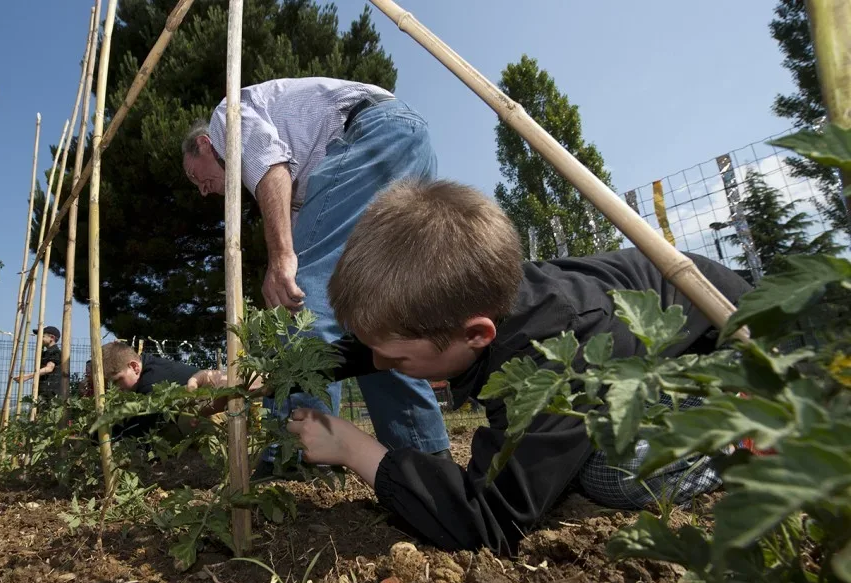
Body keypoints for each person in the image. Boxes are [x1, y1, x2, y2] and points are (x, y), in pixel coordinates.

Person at [191, 180, 753, 554]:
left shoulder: (554, 354)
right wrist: (267, 375)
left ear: (476, 334)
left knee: (610, 470)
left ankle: (742, 442)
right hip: (644, 336)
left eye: (397, 356)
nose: (379, 364)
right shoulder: (462, 305)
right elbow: (369, 348)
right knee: (572, 455)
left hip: (725, 355)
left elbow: (495, 519)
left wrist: (353, 449)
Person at [181, 76, 451, 475]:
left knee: (298, 300)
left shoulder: (228, 117)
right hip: (408, 144)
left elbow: (271, 169)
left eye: (195, 176)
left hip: (371, 134)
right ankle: (424, 456)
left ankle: (296, 458)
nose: (202, 191)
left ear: (205, 145)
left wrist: (282, 258)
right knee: (378, 316)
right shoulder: (307, 181)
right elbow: (301, 216)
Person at [100, 341, 200, 440]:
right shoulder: (148, 364)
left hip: (206, 413)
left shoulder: (151, 384)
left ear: (134, 367)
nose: (113, 389)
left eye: (116, 381)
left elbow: (139, 429)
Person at [13, 325, 62, 401]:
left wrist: (27, 376)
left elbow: (49, 368)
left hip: (50, 391)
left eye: (42, 336)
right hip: (44, 389)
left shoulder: (55, 352)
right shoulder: (45, 353)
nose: (39, 339)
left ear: (52, 338)